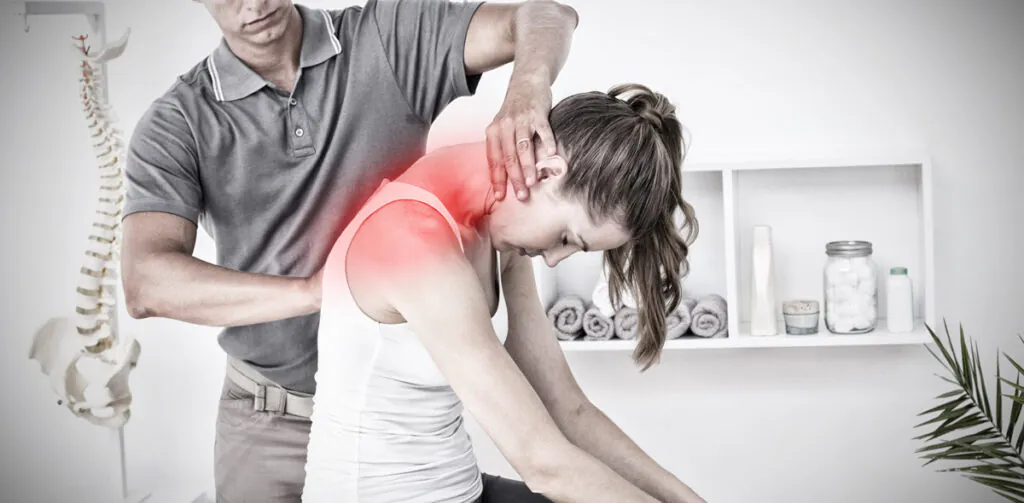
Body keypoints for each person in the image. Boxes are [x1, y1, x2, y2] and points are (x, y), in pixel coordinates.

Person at [119, 0, 580, 501]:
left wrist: (527, 88)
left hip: (392, 429)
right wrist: (320, 289)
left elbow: (546, 15)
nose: (255, 4)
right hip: (268, 423)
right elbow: (147, 283)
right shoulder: (177, 121)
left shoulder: (385, 37)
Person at [304, 83, 705, 503]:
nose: (552, 259)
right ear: (548, 171)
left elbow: (567, 407)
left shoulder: (501, 229)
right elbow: (544, 464)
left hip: (461, 489)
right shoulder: (413, 238)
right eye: (567, 236)